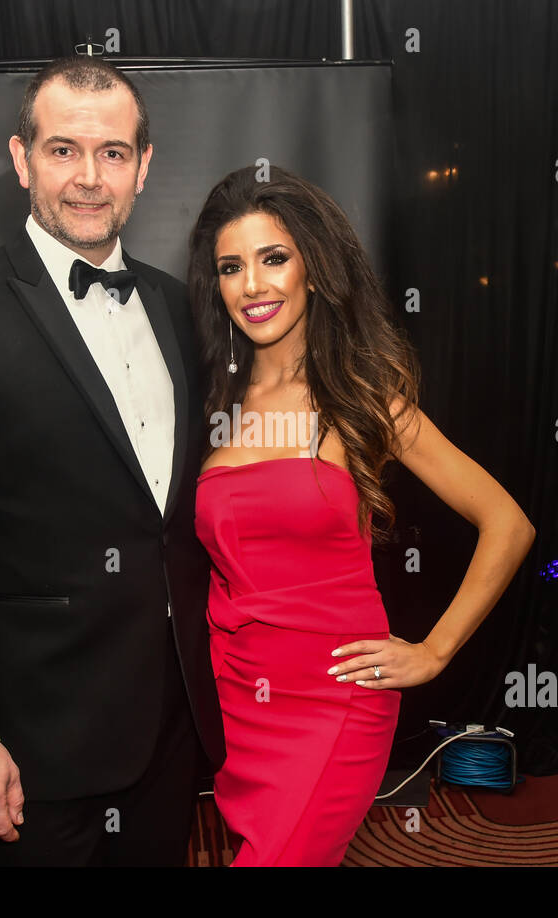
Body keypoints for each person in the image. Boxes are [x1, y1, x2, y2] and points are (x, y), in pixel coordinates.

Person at [0, 55, 224, 866]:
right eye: (64, 150)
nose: (89, 178)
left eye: (112, 153)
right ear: (22, 158)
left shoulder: (176, 305)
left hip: (172, 722)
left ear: (144, 167)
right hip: (35, 742)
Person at [188, 166, 537, 866]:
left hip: (336, 699)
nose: (253, 285)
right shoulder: (209, 402)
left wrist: (433, 651)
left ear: (313, 271)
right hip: (238, 693)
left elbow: (508, 521)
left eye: (274, 258)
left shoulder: (360, 398)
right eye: (232, 267)